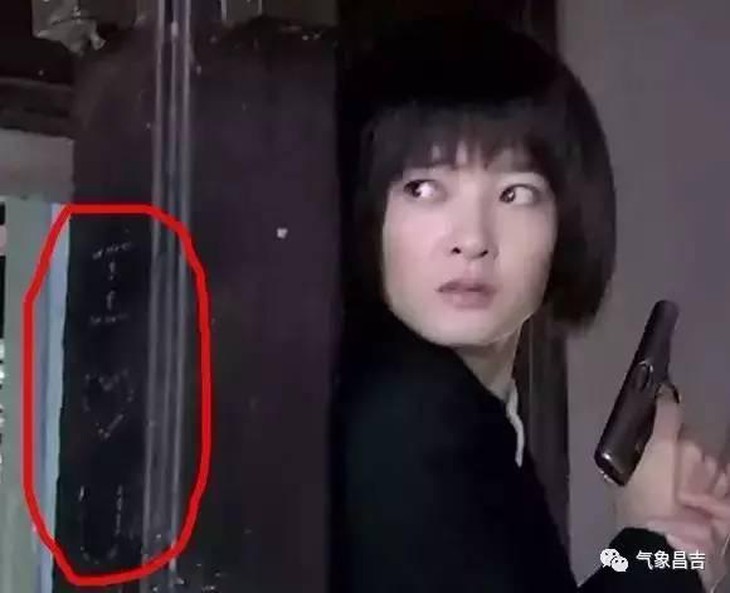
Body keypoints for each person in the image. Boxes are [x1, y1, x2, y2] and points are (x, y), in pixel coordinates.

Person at [330, 16, 730, 593]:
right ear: (364, 208)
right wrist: (659, 549)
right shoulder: (407, 415)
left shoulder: (476, 409)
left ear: (568, 221)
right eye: (424, 189)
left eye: (516, 193)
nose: (472, 238)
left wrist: (660, 547)